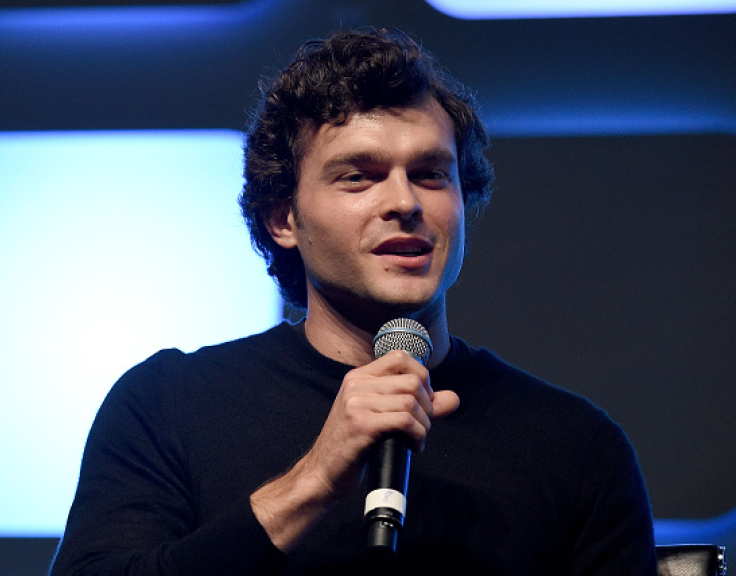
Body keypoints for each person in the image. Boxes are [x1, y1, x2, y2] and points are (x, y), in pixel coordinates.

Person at [49, 28, 657, 575]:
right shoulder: (168, 405)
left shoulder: (574, 444)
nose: (404, 203)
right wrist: (313, 479)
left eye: (431, 174)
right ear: (284, 218)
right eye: (358, 177)